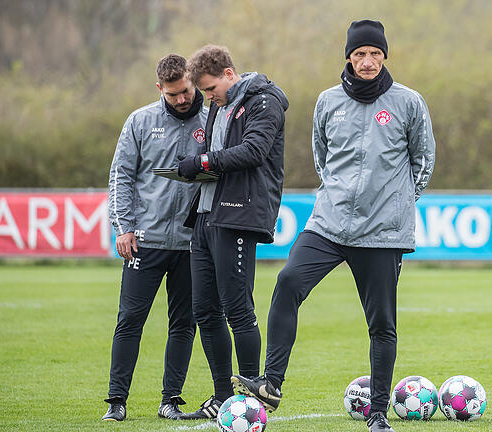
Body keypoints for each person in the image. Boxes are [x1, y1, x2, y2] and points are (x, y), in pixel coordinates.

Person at [231, 19, 436, 432]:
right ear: (348, 57)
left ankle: (378, 413)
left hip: (382, 233)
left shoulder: (409, 103)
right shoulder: (327, 101)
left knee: (381, 324)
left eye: (375, 54)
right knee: (288, 282)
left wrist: (396, 204)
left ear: (384, 56)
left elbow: (424, 160)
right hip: (328, 223)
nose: (367, 61)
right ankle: (271, 383)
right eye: (360, 54)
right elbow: (321, 157)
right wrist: (340, 196)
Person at [175, 45, 289, 419]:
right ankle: (224, 397)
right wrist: (195, 168)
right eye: (204, 92)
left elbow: (254, 151)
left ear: (228, 73)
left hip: (239, 214)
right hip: (206, 214)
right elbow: (219, 154)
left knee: (238, 310)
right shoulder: (217, 104)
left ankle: (253, 397)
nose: (208, 97)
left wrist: (202, 161)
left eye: (210, 89)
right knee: (204, 311)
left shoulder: (264, 100)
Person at [104, 54, 208, 421]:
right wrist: (124, 227)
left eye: (185, 91)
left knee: (184, 323)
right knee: (130, 319)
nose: (181, 99)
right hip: (144, 242)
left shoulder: (213, 119)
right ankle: (117, 402)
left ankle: (170, 401)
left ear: (193, 82)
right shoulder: (140, 121)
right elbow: (121, 176)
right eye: (172, 94)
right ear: (159, 88)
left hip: (193, 244)